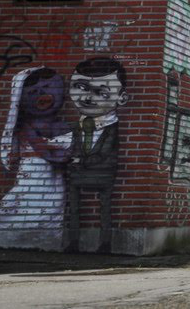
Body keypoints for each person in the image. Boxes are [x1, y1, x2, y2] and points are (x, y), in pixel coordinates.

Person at [0, 67, 73, 247]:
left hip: (54, 181)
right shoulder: (27, 128)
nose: (41, 94)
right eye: (33, 92)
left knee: (52, 210)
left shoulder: (62, 127)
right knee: (20, 206)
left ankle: (43, 242)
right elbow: (52, 153)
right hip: (31, 178)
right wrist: (49, 147)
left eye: (46, 87)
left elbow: (65, 152)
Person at [64, 57, 128, 253]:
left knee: (105, 207)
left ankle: (105, 243)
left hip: (103, 173)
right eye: (81, 87)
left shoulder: (112, 128)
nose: (88, 98)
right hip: (77, 173)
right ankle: (73, 242)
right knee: (73, 207)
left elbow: (105, 150)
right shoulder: (77, 126)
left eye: (101, 92)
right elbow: (70, 145)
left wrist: (81, 160)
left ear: (121, 98)